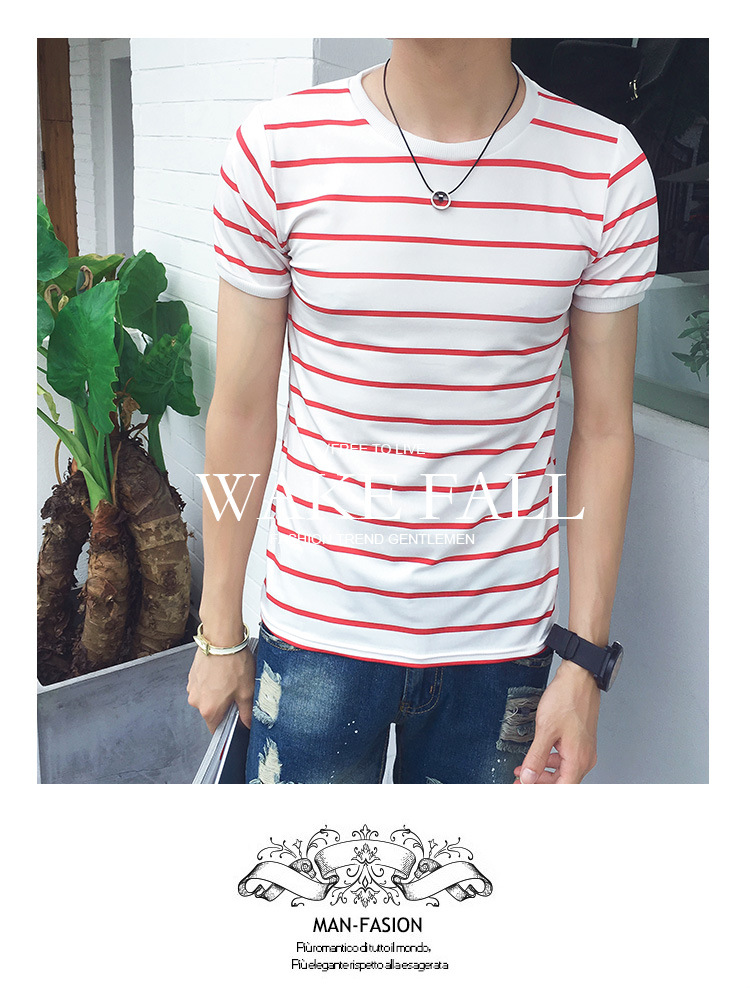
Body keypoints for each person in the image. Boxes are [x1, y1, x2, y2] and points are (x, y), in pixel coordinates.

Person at [187, 38, 658, 784]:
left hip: (500, 647)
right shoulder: (278, 149)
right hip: (316, 629)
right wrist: (219, 631)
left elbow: (602, 428)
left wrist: (585, 661)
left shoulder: (603, 169)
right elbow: (241, 410)